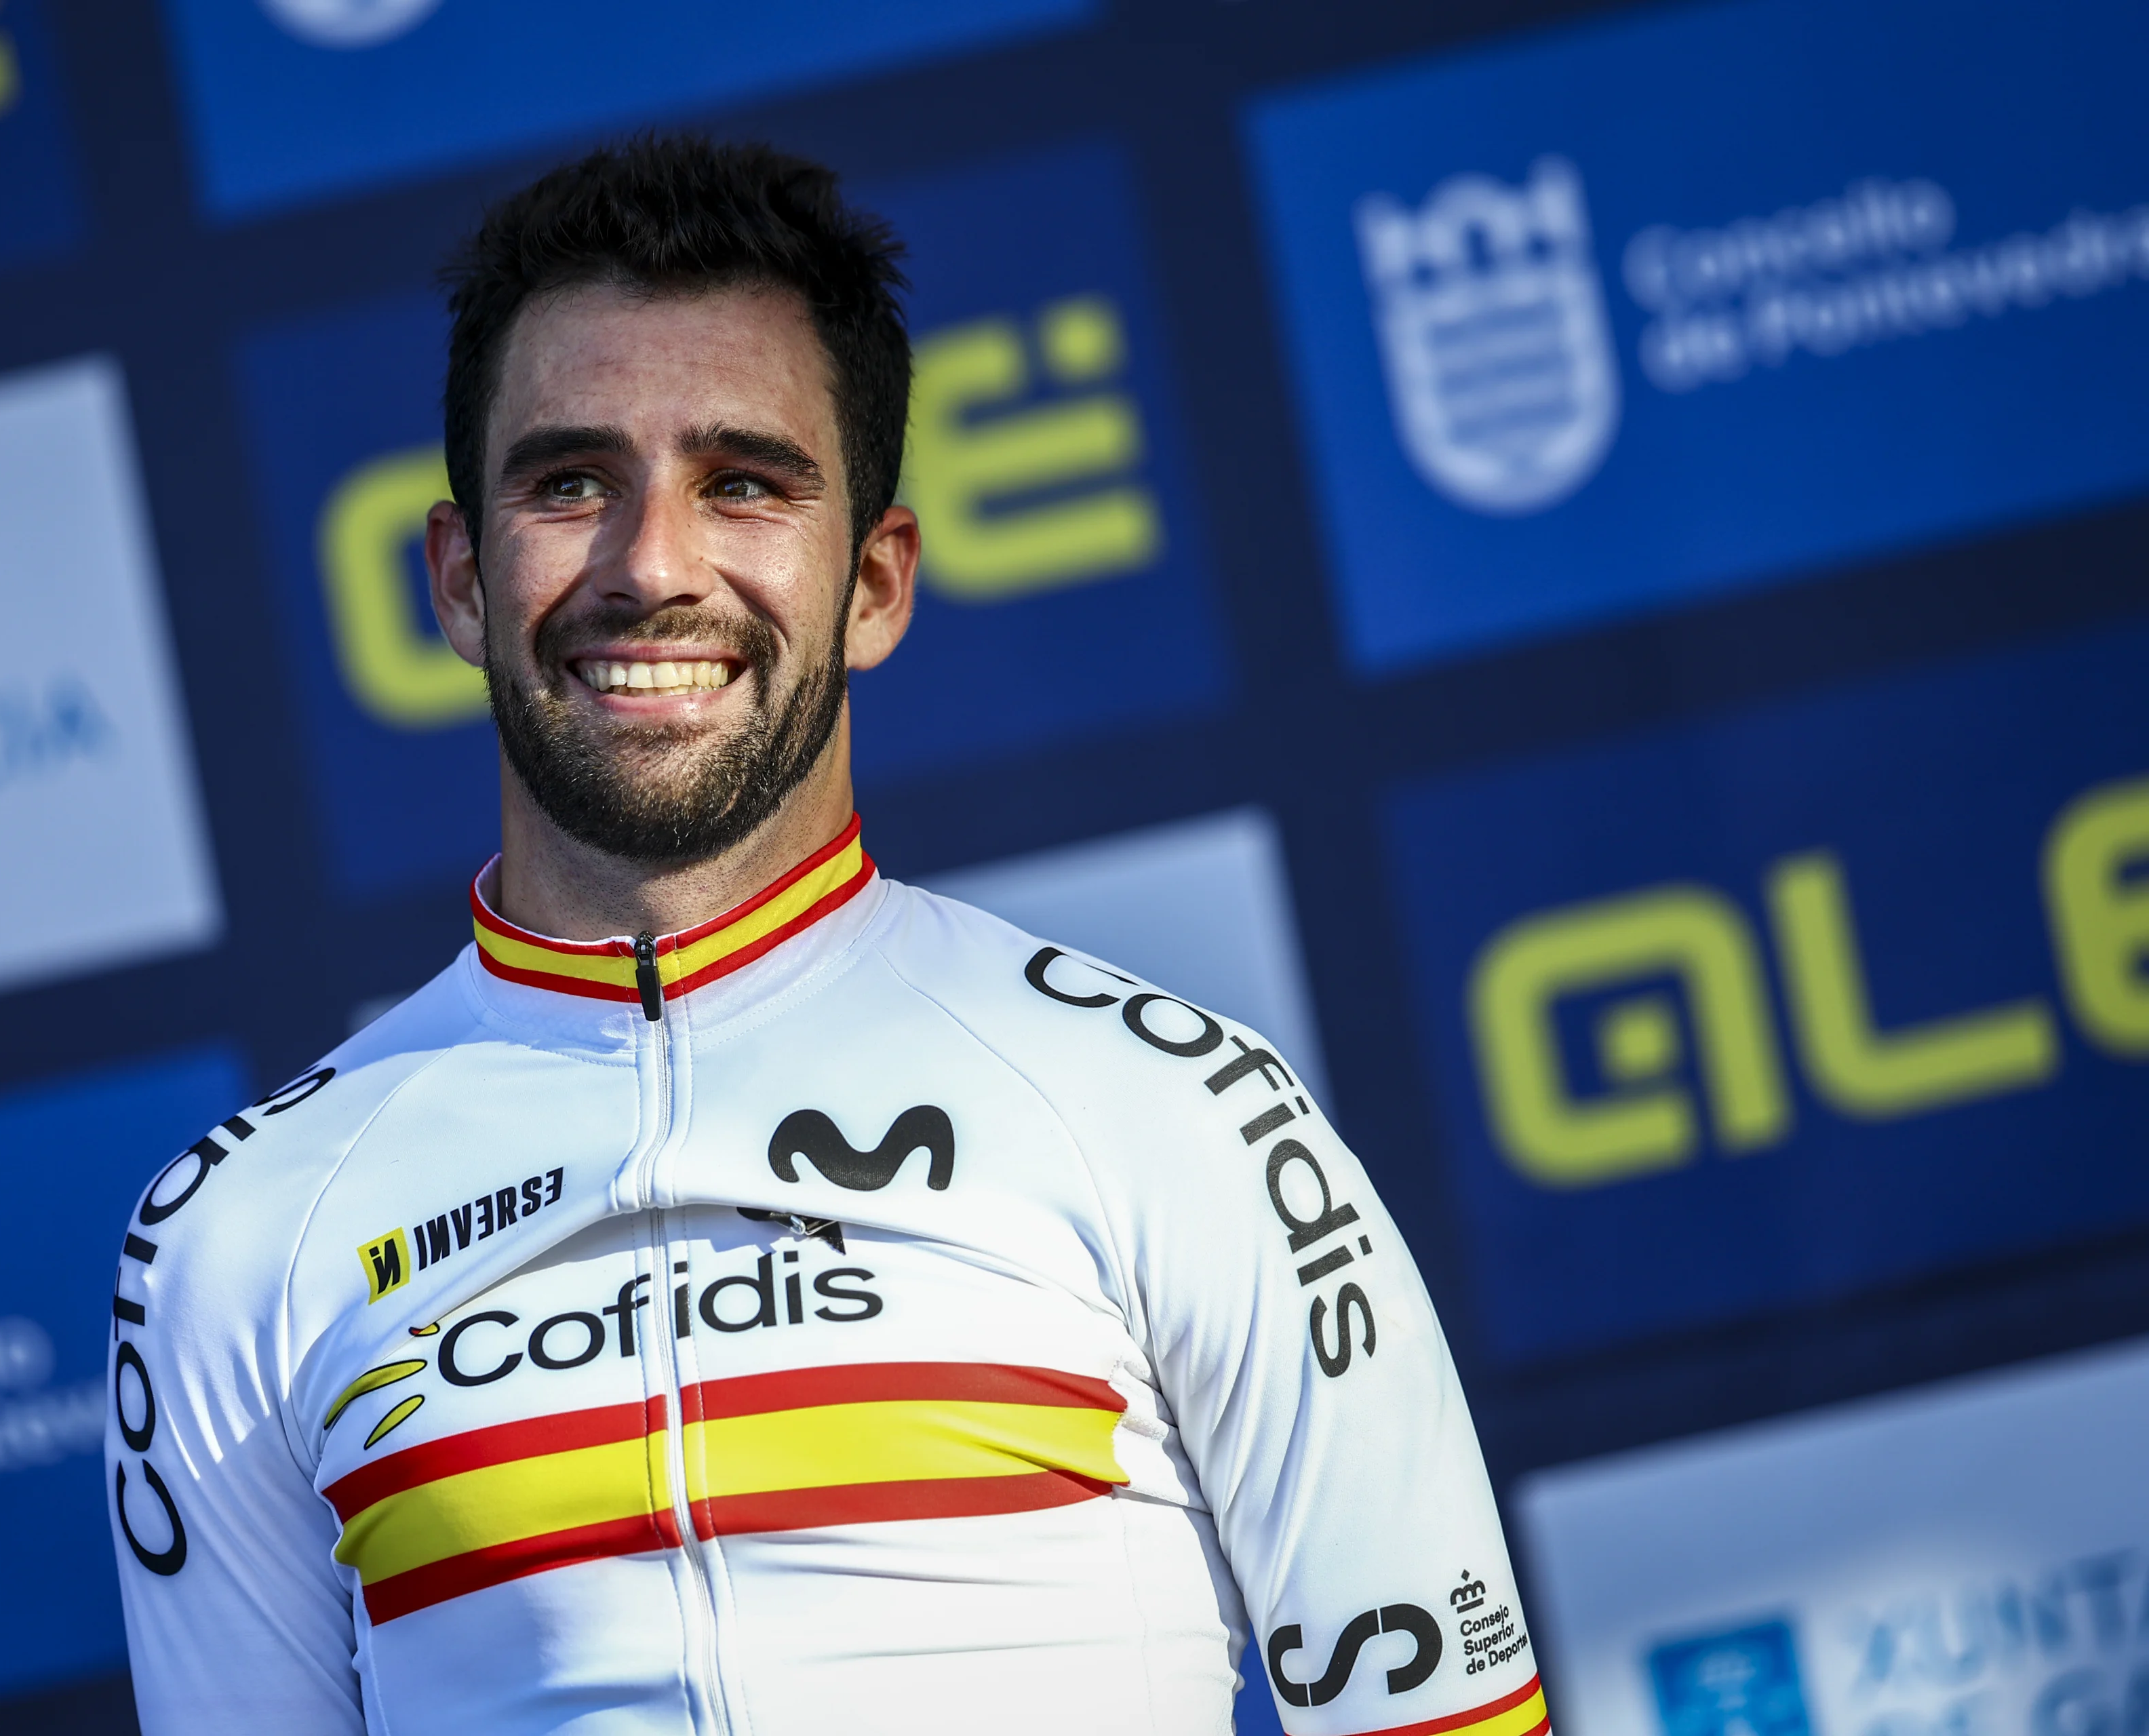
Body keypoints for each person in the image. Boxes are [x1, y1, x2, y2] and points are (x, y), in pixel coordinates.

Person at [107, 135, 1545, 1736]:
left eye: (744, 482)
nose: (651, 566)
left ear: (875, 581)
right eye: (570, 480)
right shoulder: (237, 1238)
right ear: (458, 577)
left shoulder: (1178, 1113)